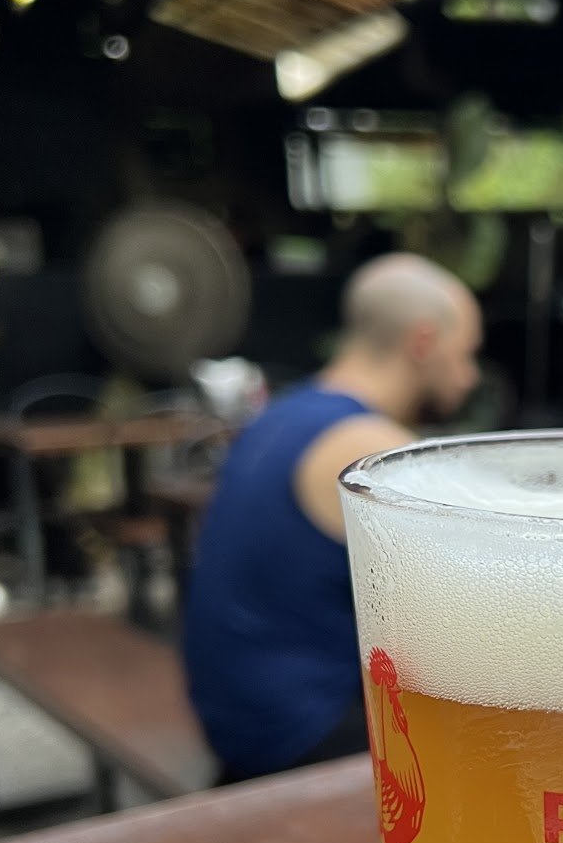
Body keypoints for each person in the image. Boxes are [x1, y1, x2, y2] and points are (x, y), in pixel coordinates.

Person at [183, 253, 482, 783]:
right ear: (423, 342)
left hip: (231, 720)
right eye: (465, 355)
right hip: (298, 736)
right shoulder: (373, 453)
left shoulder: (281, 414)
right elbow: (474, 620)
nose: (470, 377)